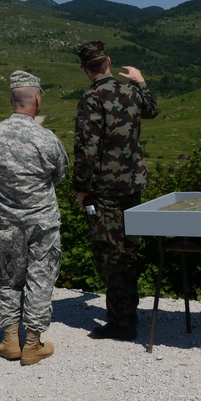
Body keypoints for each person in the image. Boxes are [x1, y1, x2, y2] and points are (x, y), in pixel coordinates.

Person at [0, 70, 69, 366]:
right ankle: (32, 344)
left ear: (11, 100)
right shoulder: (45, 138)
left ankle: (9, 341)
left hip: (6, 221)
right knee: (40, 278)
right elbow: (60, 174)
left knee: (9, 277)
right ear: (38, 100)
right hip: (42, 222)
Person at [73, 41, 160, 340]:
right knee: (129, 250)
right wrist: (141, 80)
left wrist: (82, 188)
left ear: (86, 69)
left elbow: (87, 148)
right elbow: (153, 110)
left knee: (110, 254)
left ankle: (121, 323)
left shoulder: (91, 98)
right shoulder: (132, 92)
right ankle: (127, 312)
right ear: (109, 62)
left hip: (105, 188)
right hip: (132, 184)